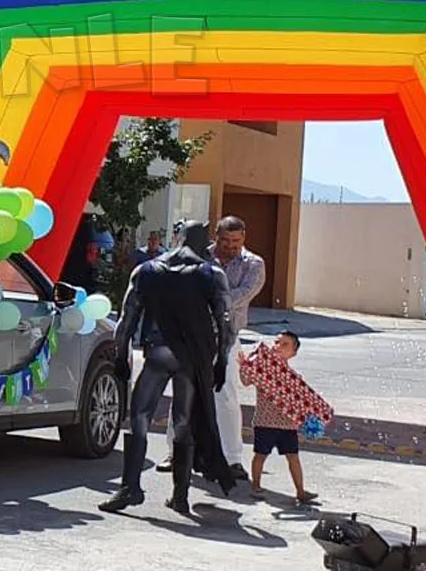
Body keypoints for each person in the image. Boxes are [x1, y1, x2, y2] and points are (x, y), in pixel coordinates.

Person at [98, 221, 236, 516]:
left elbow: (126, 320)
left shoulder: (147, 270)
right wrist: (221, 360)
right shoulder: (211, 274)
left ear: (178, 238)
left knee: (139, 417)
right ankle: (180, 495)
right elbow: (226, 324)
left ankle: (130, 487)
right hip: (191, 358)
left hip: (158, 351)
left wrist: (121, 356)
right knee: (183, 422)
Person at [160, 214, 264, 481]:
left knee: (225, 394)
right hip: (191, 334)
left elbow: (239, 297)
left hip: (226, 337)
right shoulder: (197, 255)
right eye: (225, 240)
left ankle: (232, 459)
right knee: (184, 390)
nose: (230, 246)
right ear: (215, 236)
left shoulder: (253, 264)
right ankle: (176, 452)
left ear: (244, 239)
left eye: (236, 241)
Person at [240, 331, 318, 505]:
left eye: (285, 345)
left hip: (288, 425)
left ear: (293, 353)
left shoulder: (295, 378)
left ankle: (300, 491)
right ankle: (256, 486)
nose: (278, 347)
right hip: (265, 422)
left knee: (293, 456)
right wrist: (244, 366)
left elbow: (303, 402)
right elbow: (245, 381)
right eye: (276, 342)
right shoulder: (262, 370)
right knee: (260, 455)